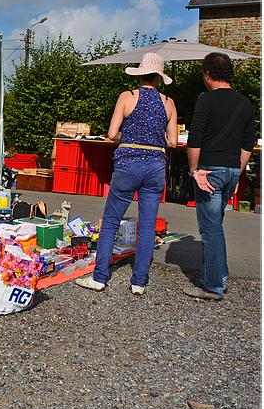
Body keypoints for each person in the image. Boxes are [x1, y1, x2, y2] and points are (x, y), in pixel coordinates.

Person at [76, 52, 177, 296]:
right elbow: (172, 142)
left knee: (111, 221)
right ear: (159, 78)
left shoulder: (127, 97)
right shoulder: (168, 103)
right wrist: (153, 139)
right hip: (155, 165)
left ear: (140, 74)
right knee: (147, 226)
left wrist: (130, 138)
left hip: (128, 163)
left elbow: (112, 134)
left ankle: (100, 278)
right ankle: (139, 282)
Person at [183, 52, 256, 301]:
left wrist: (193, 171)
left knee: (210, 229)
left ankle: (212, 286)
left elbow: (196, 137)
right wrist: (236, 172)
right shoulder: (245, 103)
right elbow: (248, 143)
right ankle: (219, 278)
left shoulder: (206, 100)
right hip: (232, 169)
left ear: (207, 74)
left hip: (208, 170)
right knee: (216, 226)